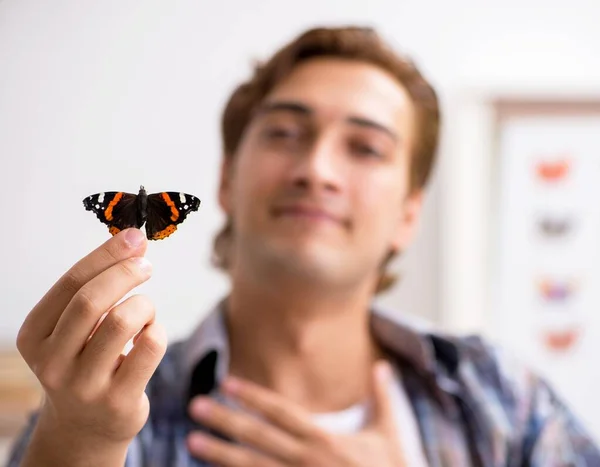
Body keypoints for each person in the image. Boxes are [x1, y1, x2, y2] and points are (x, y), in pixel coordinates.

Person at [6, 25, 600, 467]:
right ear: (225, 182)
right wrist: (80, 442)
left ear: (408, 215)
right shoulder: (107, 408)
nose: (316, 169)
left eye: (365, 148)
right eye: (285, 133)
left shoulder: (498, 394)